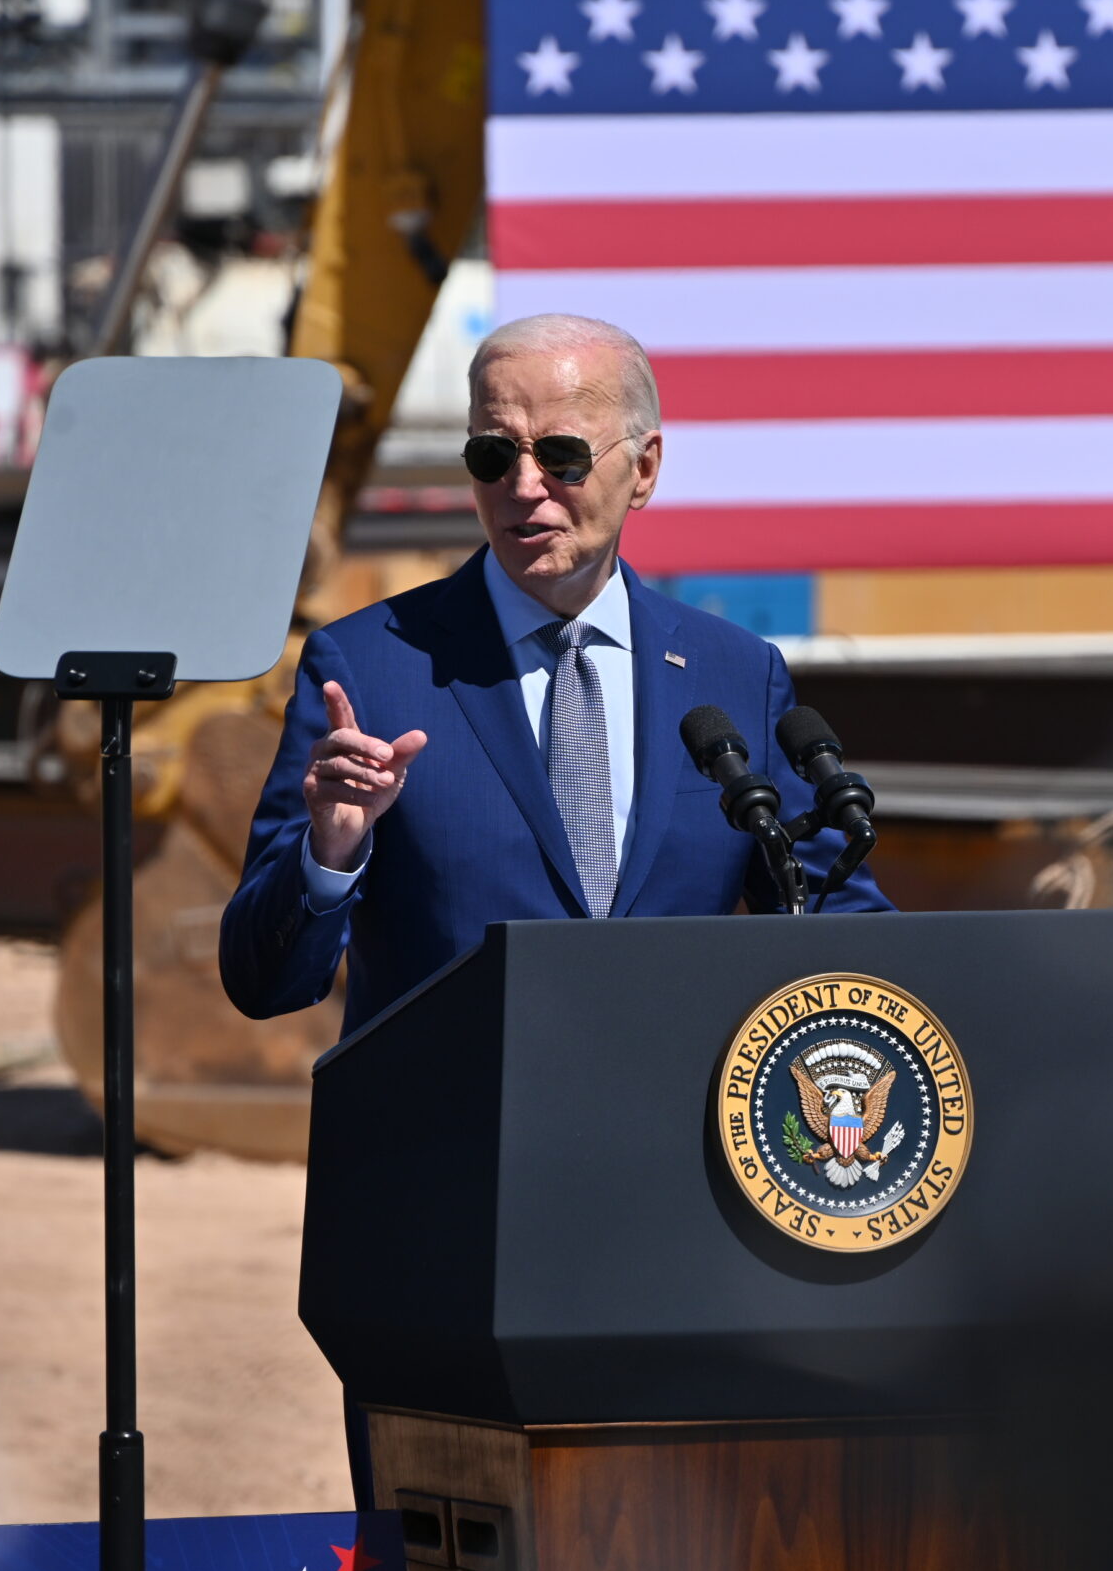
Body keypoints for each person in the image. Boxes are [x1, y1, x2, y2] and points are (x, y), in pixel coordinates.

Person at [220, 313, 889, 1035]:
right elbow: (263, 981)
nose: (524, 484)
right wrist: (331, 852)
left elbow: (833, 925)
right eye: (493, 454)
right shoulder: (367, 668)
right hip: (451, 1134)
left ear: (644, 468)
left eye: (563, 455)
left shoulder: (736, 675)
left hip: (665, 1131)